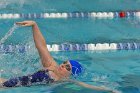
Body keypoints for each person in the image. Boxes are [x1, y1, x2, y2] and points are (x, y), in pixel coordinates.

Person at [0, 21, 118, 93]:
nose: (63, 65)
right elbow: (42, 47)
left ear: (71, 74)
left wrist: (109, 90)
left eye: (68, 67)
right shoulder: (51, 66)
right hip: (5, 83)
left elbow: (87, 86)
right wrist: (34, 25)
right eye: (65, 63)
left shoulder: (64, 81)